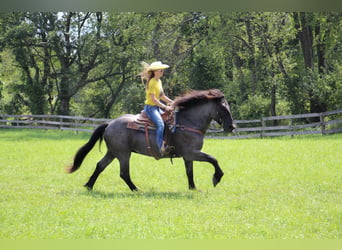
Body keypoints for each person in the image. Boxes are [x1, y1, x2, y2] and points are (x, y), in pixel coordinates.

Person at [140, 61, 174, 155]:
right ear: (155, 71)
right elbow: (153, 99)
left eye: (162, 70)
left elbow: (162, 96)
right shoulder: (152, 82)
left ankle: (166, 142)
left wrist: (172, 102)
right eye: (161, 70)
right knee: (160, 124)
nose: (162, 71)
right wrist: (164, 107)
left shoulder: (159, 81)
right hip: (150, 108)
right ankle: (160, 148)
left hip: (156, 107)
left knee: (169, 120)